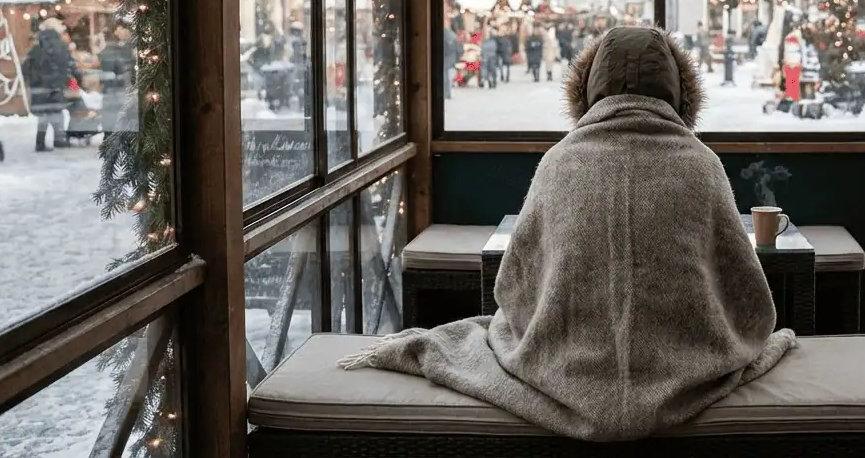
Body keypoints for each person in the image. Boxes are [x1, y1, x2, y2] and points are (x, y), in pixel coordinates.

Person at [339, 26, 795, 440]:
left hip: (561, 365)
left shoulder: (559, 162)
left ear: (588, 88)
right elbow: (745, 286)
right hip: (688, 366)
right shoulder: (702, 165)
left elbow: (515, 285)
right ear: (679, 93)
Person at [23, 17, 80, 152]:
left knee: (43, 115)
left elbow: (25, 68)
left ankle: (40, 142)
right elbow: (70, 66)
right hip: (57, 87)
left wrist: (34, 81)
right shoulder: (62, 47)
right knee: (57, 112)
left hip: (39, 88)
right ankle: (59, 140)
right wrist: (75, 78)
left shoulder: (36, 49)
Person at [97, 19, 135, 141]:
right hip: (116, 86)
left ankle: (112, 135)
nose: (127, 32)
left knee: (116, 111)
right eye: (123, 29)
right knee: (113, 110)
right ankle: (110, 136)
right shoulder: (114, 48)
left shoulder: (125, 46)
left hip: (120, 85)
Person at [442, 24, 460, 100]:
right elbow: (458, 49)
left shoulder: (444, 35)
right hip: (451, 59)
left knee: (445, 76)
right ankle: (448, 93)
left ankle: (446, 93)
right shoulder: (453, 35)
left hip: (445, 58)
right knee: (449, 77)